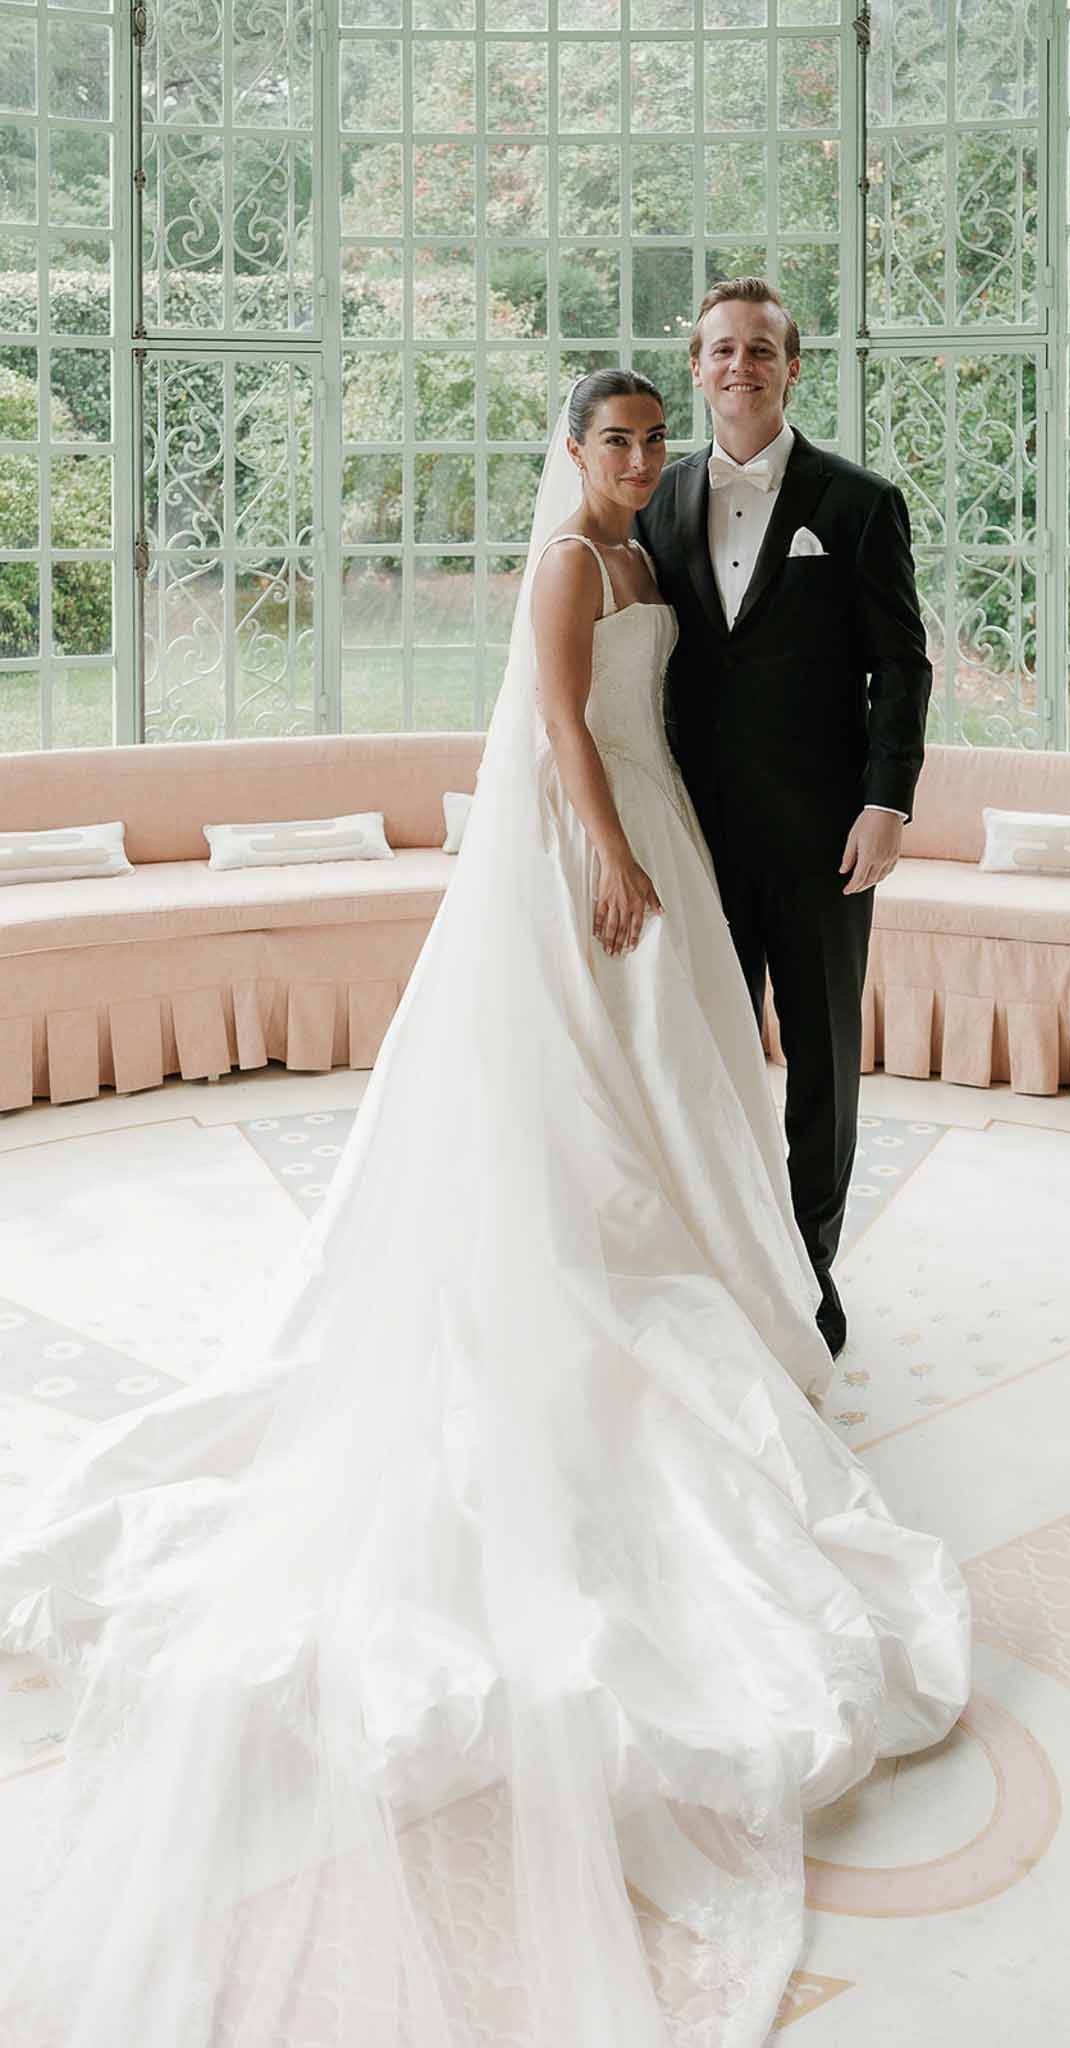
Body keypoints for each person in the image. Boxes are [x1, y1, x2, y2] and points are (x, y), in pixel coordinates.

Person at [0, 370, 969, 2048]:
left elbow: (696, 692)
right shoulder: (568, 565)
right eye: (618, 439)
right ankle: (596, 1268)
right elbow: (551, 726)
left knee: (690, 1081)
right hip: (591, 836)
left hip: (668, 811)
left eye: (654, 437)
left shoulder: (656, 550)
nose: (643, 457)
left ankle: (723, 1271)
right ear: (573, 452)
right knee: (594, 1088)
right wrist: (604, 847)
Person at [635, 279, 936, 1359]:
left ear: (791, 366)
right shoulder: (653, 500)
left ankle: (808, 1272)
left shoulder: (856, 503)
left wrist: (886, 800)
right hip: (693, 835)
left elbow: (900, 666)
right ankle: (718, 1253)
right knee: (706, 1055)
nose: (738, 366)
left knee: (820, 1061)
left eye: (761, 348)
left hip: (822, 839)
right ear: (698, 364)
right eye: (720, 348)